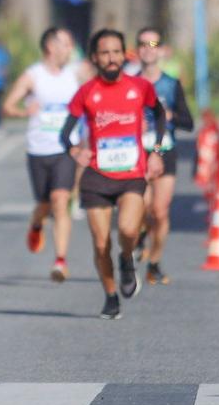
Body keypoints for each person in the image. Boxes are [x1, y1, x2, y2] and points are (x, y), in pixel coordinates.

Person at [60, 30, 164, 320]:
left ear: (123, 54)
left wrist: (155, 151)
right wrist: (73, 151)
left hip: (132, 173)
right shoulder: (87, 92)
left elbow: (160, 115)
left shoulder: (140, 86)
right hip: (97, 175)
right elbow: (65, 132)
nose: (111, 58)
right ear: (95, 58)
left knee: (129, 231)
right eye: (105, 53)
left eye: (116, 52)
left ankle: (127, 258)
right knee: (101, 242)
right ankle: (110, 295)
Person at [2, 27, 87, 282]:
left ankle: (60, 260)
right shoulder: (33, 76)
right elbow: (7, 106)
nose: (70, 50)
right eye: (66, 44)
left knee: (61, 200)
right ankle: (36, 222)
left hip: (66, 148)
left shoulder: (74, 76)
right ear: (51, 47)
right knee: (44, 203)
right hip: (38, 149)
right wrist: (24, 112)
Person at [132, 26, 195, 286]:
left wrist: (170, 117)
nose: (148, 49)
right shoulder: (130, 84)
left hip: (165, 149)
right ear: (137, 50)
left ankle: (154, 263)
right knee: (141, 207)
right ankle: (140, 236)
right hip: (137, 152)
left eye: (153, 44)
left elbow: (189, 122)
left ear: (162, 50)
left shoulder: (170, 84)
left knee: (160, 210)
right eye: (143, 44)